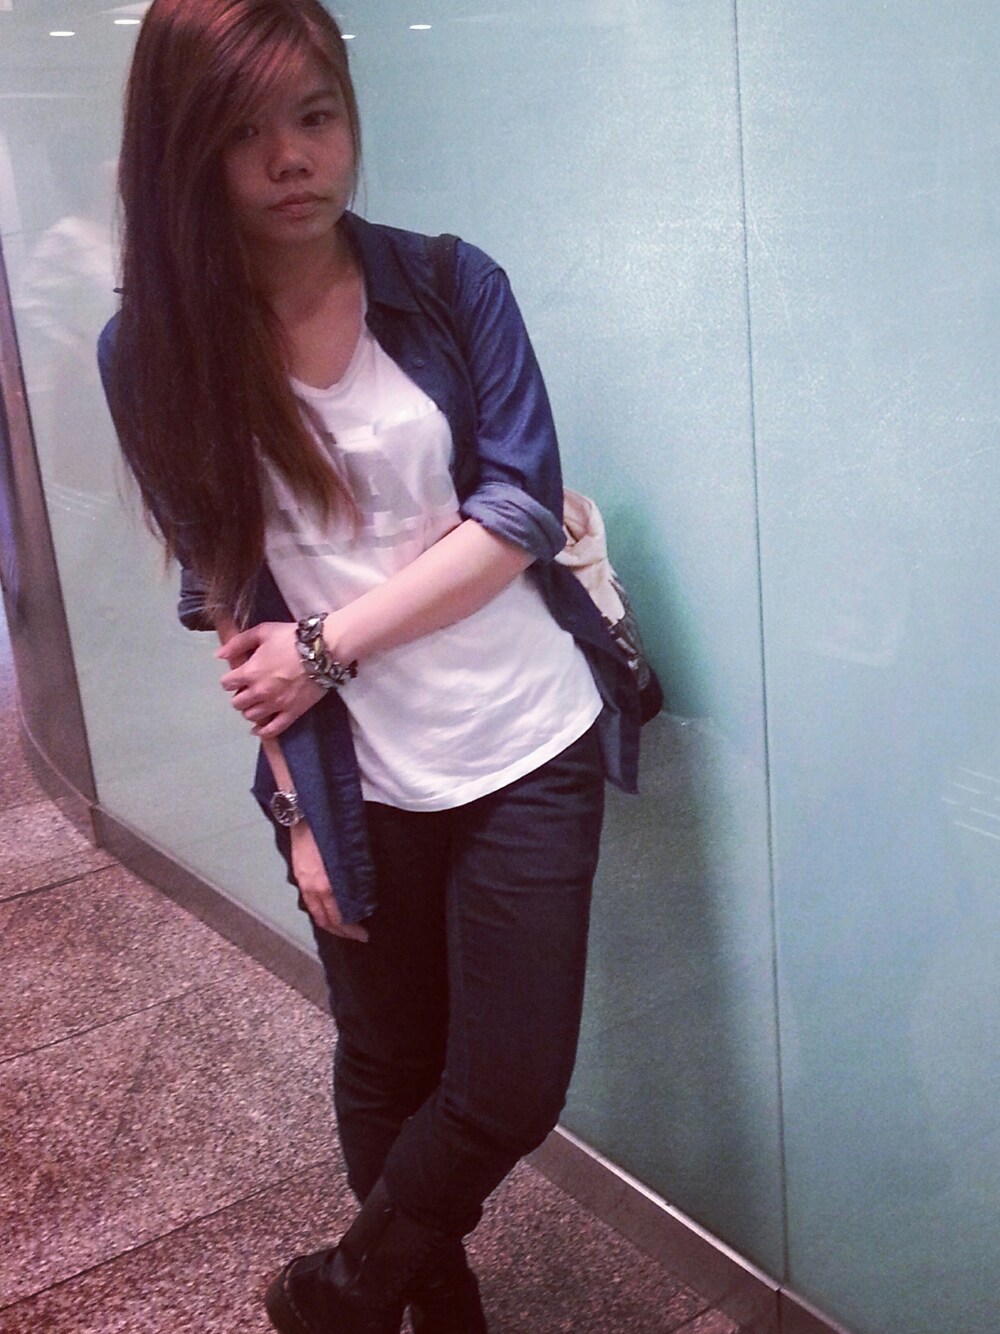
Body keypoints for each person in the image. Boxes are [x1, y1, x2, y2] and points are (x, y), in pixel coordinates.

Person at [98, 2, 645, 1330]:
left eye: (317, 115)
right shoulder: (152, 351)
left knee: (510, 1085)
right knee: (389, 1053)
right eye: (246, 130)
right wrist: (299, 811)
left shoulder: (452, 285)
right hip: (355, 775)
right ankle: (432, 1299)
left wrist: (327, 647)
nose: (292, 157)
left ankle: (345, 1286)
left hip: (527, 733)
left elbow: (519, 510)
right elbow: (230, 598)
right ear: (183, 150)